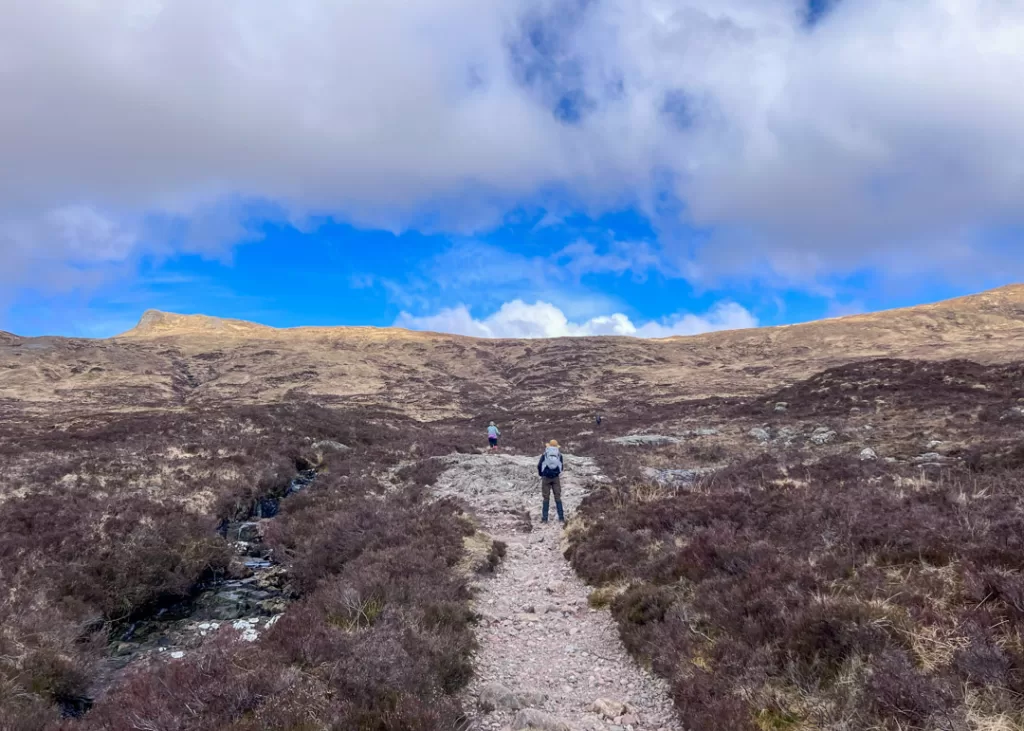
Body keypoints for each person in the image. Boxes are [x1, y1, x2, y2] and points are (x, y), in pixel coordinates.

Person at [537, 440, 565, 524]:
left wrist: (541, 474)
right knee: (558, 497)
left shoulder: (545, 454)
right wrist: (556, 473)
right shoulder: (559, 455)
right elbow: (561, 467)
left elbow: (539, 465)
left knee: (546, 498)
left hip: (546, 478)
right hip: (555, 478)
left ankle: (545, 519)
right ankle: (561, 518)